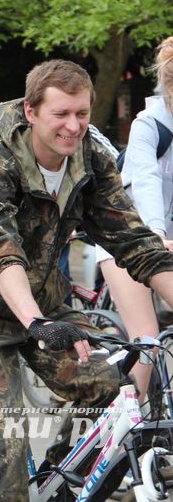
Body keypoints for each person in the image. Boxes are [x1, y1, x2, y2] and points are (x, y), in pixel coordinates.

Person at [0, 60, 173, 501]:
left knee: (113, 392)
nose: (73, 126)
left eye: (81, 113)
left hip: (44, 299)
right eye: (60, 114)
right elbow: (1, 254)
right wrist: (37, 323)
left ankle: (58, 487)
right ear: (31, 112)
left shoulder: (90, 159)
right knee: (9, 438)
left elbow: (135, 243)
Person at [94, 37, 173, 397]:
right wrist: (155, 231)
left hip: (164, 244)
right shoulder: (149, 125)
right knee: (148, 340)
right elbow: (146, 182)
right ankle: (122, 425)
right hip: (125, 239)